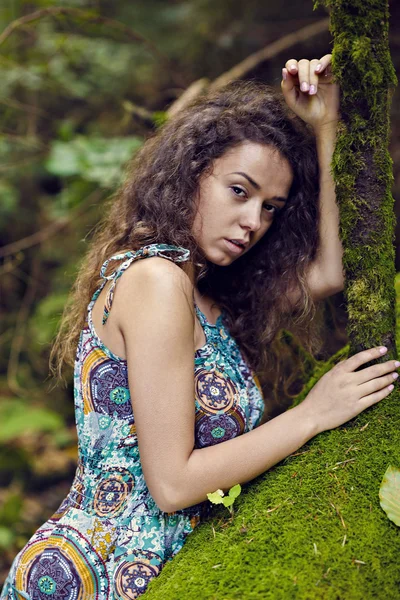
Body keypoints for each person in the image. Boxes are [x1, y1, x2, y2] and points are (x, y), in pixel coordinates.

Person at [2, 55, 398, 600]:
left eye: (271, 208)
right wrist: (314, 415)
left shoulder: (208, 298)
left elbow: (330, 272)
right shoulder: (156, 283)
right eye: (240, 191)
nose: (254, 222)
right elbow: (173, 485)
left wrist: (325, 125)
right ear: (191, 175)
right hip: (93, 574)